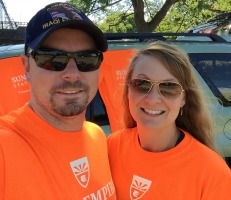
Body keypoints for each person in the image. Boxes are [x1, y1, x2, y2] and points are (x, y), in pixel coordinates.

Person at [0, 2, 116, 200]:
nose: (72, 74)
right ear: (26, 67)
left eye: (87, 58)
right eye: (52, 58)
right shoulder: (5, 147)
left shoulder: (96, 136)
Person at [107, 41, 231, 199]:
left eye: (168, 87)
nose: (152, 99)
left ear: (183, 98)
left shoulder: (213, 173)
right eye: (142, 84)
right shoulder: (112, 146)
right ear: (128, 90)